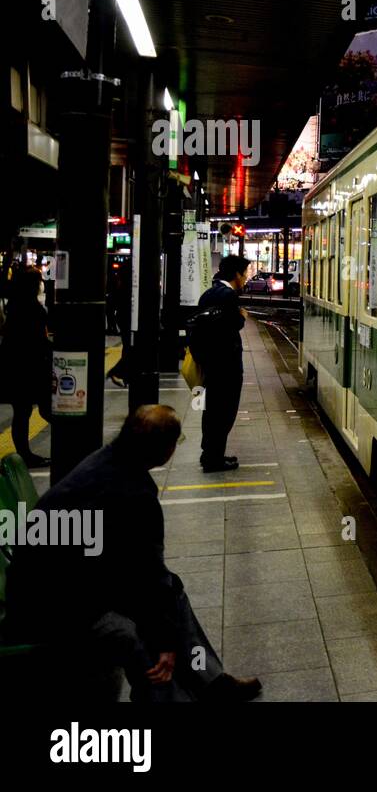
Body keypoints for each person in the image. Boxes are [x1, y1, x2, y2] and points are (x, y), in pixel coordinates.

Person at [3, 405, 262, 701]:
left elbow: (141, 573)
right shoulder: (133, 493)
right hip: (47, 609)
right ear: (165, 452)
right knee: (136, 632)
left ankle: (210, 680)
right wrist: (165, 642)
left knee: (169, 593)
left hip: (50, 586)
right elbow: (148, 574)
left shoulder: (105, 462)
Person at [195, 255, 250, 473]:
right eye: (245, 273)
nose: (246, 278)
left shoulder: (209, 293)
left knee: (212, 412)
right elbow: (231, 324)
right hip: (225, 365)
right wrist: (242, 316)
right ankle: (213, 459)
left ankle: (209, 453)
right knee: (224, 412)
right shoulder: (228, 296)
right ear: (236, 274)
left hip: (211, 363)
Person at [0, 267, 53, 467]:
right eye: (39, 280)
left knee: (23, 410)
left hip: (17, 366)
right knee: (38, 408)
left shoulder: (16, 304)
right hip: (29, 367)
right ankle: (26, 455)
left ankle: (25, 454)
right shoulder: (29, 307)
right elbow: (36, 339)